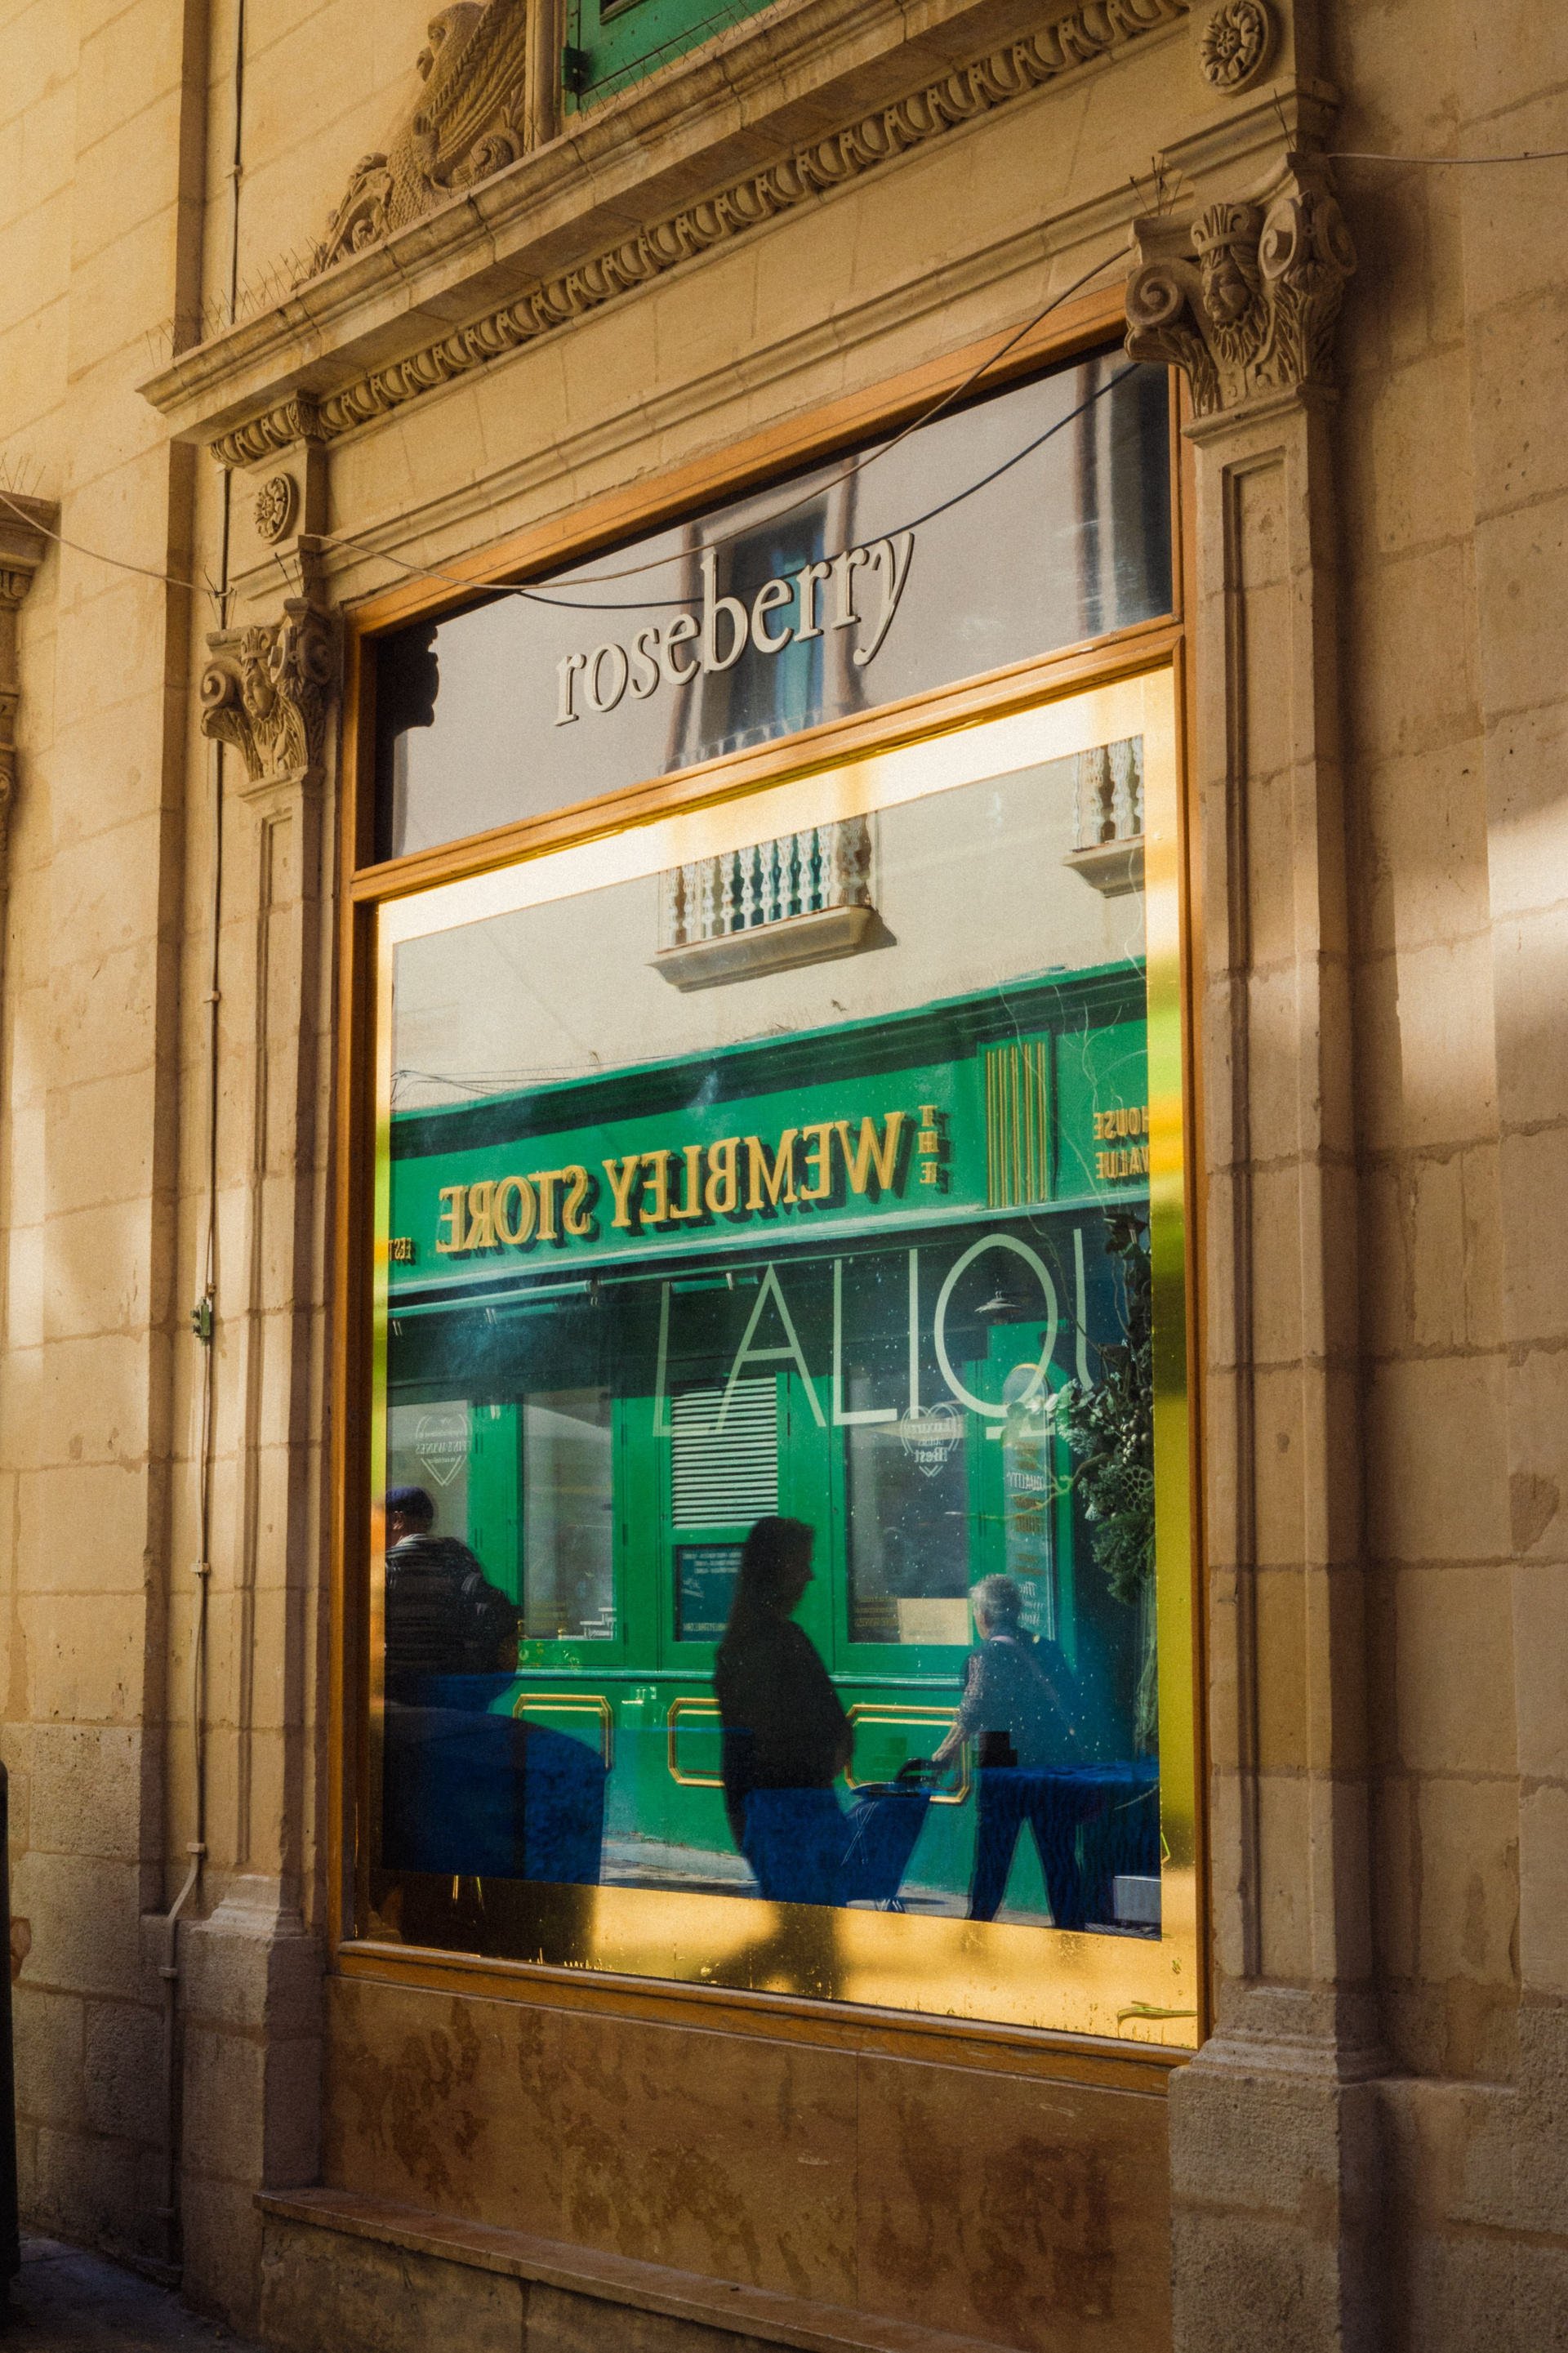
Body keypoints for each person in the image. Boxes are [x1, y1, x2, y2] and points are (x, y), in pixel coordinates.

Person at [928, 1573, 1086, 1924]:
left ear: (984, 1614)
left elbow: (970, 1714)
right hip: (1050, 1765)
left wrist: (940, 1757)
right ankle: (1073, 1933)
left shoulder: (985, 1656)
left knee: (993, 1859)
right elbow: (1075, 1705)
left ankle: (978, 1929)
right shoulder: (1047, 1648)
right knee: (1060, 1857)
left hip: (1002, 1760)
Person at [714, 1517, 853, 1905]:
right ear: (774, 1569)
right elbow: (828, 1732)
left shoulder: (739, 1645)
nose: (810, 1576)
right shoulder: (784, 1642)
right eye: (801, 1564)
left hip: (771, 1813)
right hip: (801, 1813)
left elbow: (741, 1751)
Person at [382, 1484, 519, 1687]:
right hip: (455, 1684)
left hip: (403, 1687)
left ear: (397, 1520)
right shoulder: (460, 1555)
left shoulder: (388, 1563)